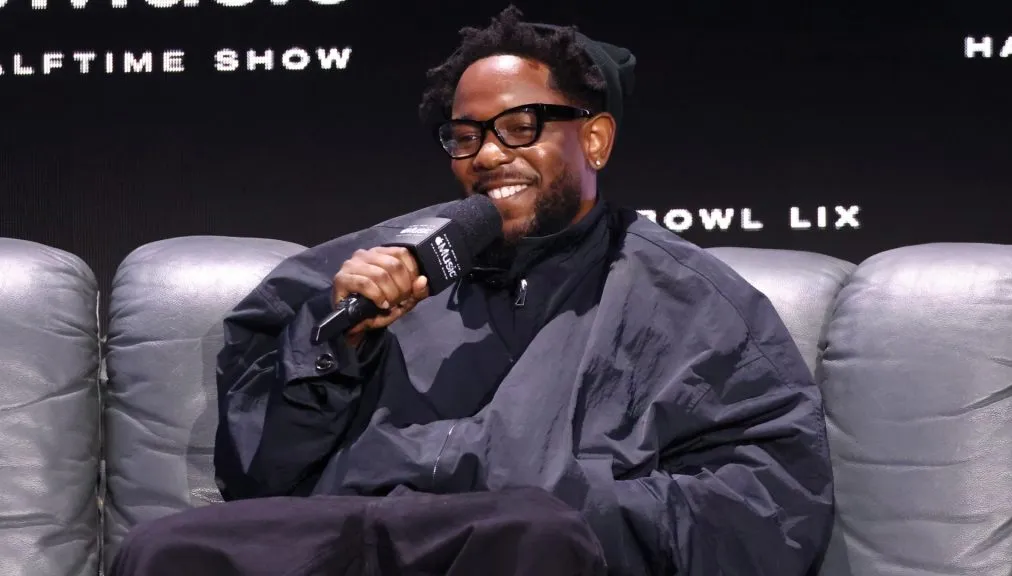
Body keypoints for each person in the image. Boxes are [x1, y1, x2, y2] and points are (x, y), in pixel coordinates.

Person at [109, 5, 834, 575]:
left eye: (521, 127)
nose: (488, 155)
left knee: (530, 533)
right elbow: (258, 474)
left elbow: (771, 508)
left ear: (595, 140)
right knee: (168, 550)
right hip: (347, 534)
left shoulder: (691, 300)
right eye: (465, 136)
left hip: (526, 549)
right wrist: (338, 346)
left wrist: (579, 506)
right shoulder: (373, 263)